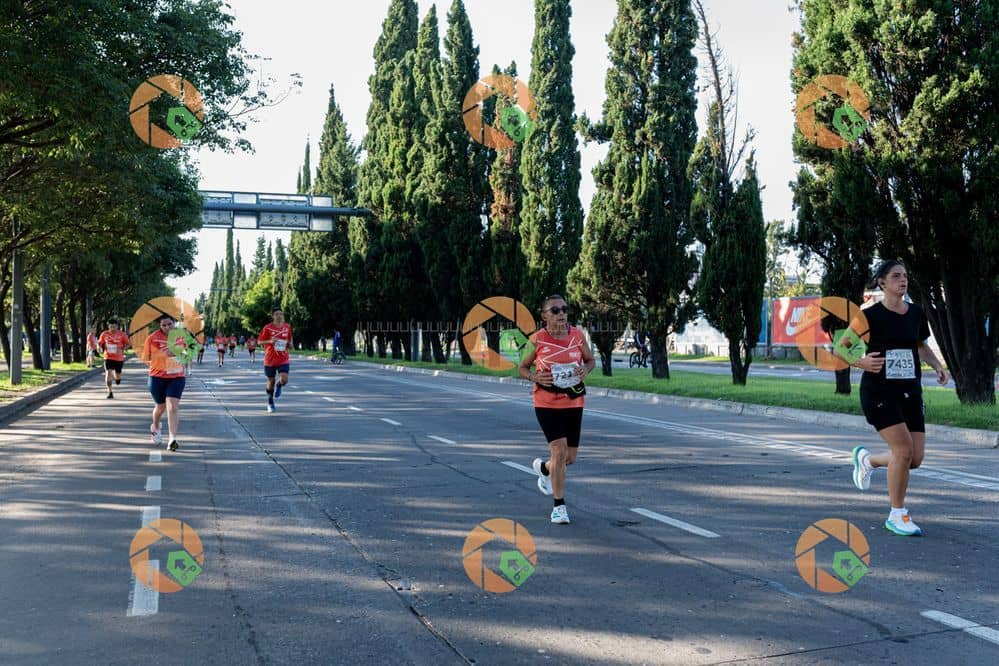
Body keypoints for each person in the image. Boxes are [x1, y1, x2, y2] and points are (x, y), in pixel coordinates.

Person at [849, 260, 949, 536]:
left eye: (905, 276)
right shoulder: (869, 316)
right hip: (878, 391)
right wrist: (861, 362)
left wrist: (938, 366)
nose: (903, 280)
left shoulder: (916, 312)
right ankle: (897, 514)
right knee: (903, 451)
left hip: (910, 391)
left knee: (914, 459)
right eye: (896, 276)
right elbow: (840, 347)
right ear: (882, 282)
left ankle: (868, 461)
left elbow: (920, 345)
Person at [518, 295, 596, 525]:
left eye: (564, 309)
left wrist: (585, 370)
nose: (561, 313)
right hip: (546, 403)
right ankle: (559, 507)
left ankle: (544, 468)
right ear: (544, 316)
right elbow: (522, 367)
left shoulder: (577, 335)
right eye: (555, 310)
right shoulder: (537, 339)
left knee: (568, 457)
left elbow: (590, 360)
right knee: (559, 452)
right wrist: (534, 376)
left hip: (574, 401)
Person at [141, 314, 186, 452]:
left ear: (174, 323)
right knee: (160, 407)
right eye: (163, 325)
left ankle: (172, 439)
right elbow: (145, 358)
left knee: (172, 406)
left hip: (176, 376)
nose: (167, 327)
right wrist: (163, 355)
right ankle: (155, 426)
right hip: (157, 377)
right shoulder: (152, 338)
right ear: (160, 326)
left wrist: (181, 354)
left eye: (169, 324)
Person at [258, 308, 293, 413]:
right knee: (271, 381)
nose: (279, 316)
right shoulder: (267, 328)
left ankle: (279, 385)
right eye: (277, 314)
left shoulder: (287, 327)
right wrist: (270, 341)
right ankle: (270, 402)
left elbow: (290, 339)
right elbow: (259, 342)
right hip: (270, 359)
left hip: (283, 358)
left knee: (284, 379)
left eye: (281, 314)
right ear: (273, 316)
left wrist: (290, 344)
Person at [98, 319, 130, 398]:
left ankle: (117, 379)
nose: (113, 328)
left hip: (119, 358)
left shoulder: (122, 334)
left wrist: (123, 349)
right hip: (108, 357)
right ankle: (110, 392)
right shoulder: (104, 334)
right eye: (111, 327)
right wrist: (99, 348)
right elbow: (99, 343)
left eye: (114, 327)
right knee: (108, 373)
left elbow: (128, 344)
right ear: (108, 326)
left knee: (117, 375)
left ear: (117, 326)